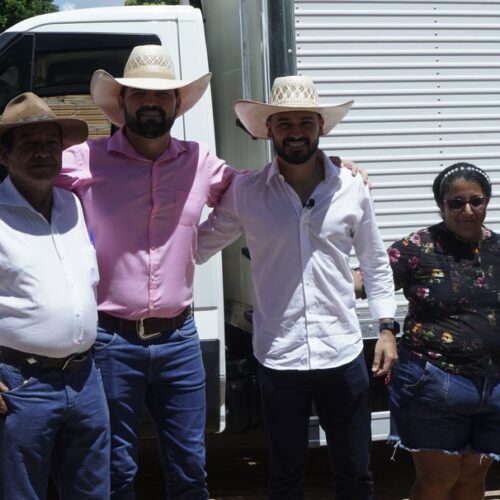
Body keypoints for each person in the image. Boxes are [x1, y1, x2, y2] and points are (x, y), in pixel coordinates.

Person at [196, 75, 398, 500]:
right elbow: (197, 245)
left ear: (320, 127)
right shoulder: (246, 192)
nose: (295, 132)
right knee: (285, 476)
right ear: (268, 129)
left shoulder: (351, 188)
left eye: (305, 122)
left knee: (355, 472)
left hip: (341, 354)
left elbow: (375, 261)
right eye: (284, 123)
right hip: (279, 358)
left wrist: (386, 326)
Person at [56, 44, 236, 499]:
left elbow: (256, 192)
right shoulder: (83, 160)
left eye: (162, 95)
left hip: (180, 340)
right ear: (123, 103)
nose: (151, 103)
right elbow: (21, 179)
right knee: (116, 468)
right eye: (139, 94)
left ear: (177, 104)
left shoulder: (200, 161)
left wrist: (326, 167)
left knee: (191, 468)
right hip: (112, 340)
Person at [0, 92, 110, 499]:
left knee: (93, 490)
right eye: (28, 145)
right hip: (22, 385)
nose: (42, 153)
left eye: (50, 144)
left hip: (84, 380)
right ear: (4, 155)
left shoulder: (73, 205)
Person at [387, 162, 500, 500]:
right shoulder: (416, 247)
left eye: (476, 201)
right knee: (439, 478)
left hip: (493, 385)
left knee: (472, 479)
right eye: (456, 203)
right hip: (435, 380)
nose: (468, 210)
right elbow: (371, 284)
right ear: (441, 204)